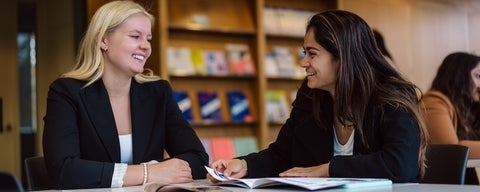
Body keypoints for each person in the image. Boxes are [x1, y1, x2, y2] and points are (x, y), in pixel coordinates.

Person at [209, 10, 428, 183]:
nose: (303, 62)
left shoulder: (391, 96)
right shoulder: (311, 95)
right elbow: (282, 154)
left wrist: (328, 169)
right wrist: (244, 165)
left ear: (342, 58)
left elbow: (400, 164)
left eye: (312, 54)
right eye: (305, 53)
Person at [42, 0, 208, 189]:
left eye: (148, 39)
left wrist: (150, 172)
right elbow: (64, 170)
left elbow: (198, 159)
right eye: (136, 36)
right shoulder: (66, 92)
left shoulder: (158, 92)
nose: (146, 46)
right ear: (104, 40)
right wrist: (149, 172)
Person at [421, 52, 480, 159]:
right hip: (440, 175)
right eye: (478, 76)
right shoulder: (433, 103)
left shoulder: (465, 108)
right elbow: (450, 150)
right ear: (459, 76)